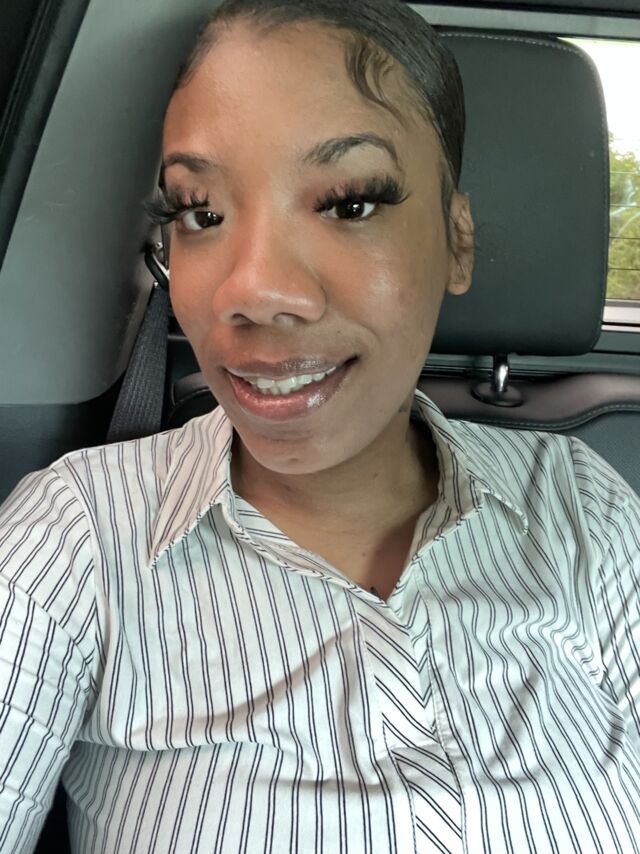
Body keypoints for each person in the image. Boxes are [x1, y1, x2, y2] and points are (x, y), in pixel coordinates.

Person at [0, 0, 639, 851]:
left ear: (457, 241)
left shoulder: (585, 510)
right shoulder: (75, 540)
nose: (253, 293)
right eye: (199, 212)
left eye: (348, 204)